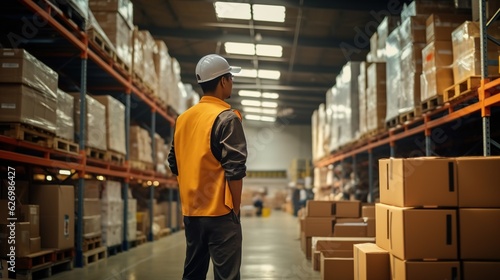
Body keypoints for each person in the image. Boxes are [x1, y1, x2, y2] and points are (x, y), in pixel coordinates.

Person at [168, 54, 247, 280]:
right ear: (223, 81)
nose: (232, 81)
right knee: (226, 276)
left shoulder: (183, 119)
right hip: (220, 212)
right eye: (230, 77)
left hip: (192, 213)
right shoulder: (226, 118)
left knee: (193, 273)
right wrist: (236, 210)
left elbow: (174, 163)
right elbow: (235, 169)